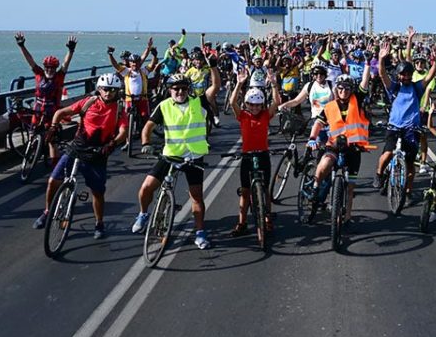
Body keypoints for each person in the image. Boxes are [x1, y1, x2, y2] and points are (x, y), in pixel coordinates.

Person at [132, 66, 220, 250]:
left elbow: (215, 87)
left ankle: (200, 233)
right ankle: (143, 214)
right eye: (175, 88)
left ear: (188, 89)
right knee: (146, 188)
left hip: (194, 157)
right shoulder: (163, 106)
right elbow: (147, 126)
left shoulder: (198, 102)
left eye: (183, 88)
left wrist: (213, 67)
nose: (179, 91)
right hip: (171, 155)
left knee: (196, 197)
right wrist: (146, 143)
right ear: (169, 90)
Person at [32, 73, 128, 239]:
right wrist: (53, 128)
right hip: (76, 148)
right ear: (99, 89)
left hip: (98, 154)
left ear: (117, 91)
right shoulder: (88, 102)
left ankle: (99, 223)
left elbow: (123, 131)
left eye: (112, 90)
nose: (108, 93)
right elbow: (61, 112)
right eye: (105, 89)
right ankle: (47, 212)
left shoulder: (119, 110)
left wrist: (112, 144)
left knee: (97, 192)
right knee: (53, 181)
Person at [373, 32, 436, 198]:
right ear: (399, 75)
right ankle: (379, 174)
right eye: (403, 74)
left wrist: (435, 61)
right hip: (394, 127)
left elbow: (429, 77)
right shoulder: (394, 87)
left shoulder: (416, 87)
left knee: (409, 164)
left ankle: (407, 191)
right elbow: (382, 74)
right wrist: (381, 59)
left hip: (412, 129)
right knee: (387, 154)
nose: (406, 77)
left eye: (408, 74)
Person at [306, 70, 371, 224]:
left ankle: (347, 217)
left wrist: (368, 64)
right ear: (336, 89)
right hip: (334, 145)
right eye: (340, 88)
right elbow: (318, 123)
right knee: (326, 163)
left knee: (350, 187)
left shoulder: (357, 101)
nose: (343, 91)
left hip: (353, 148)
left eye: (347, 88)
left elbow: (364, 82)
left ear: (351, 90)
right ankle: (315, 187)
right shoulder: (329, 106)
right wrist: (312, 138)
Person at [229, 66, 281, 236]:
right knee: (244, 191)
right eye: (251, 105)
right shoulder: (243, 115)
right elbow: (232, 103)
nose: (254, 108)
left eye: (258, 105)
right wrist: (239, 84)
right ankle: (242, 222)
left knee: (265, 189)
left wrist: (273, 84)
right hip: (247, 157)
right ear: (247, 104)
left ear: (262, 105)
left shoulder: (266, 115)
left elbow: (276, 102)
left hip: (263, 154)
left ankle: (267, 219)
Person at [14, 32, 78, 166]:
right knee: (32, 136)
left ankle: (55, 168)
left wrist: (70, 50)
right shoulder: (39, 74)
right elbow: (30, 59)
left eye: (52, 68)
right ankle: (31, 154)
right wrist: (21, 46)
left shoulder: (59, 77)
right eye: (47, 67)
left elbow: (66, 64)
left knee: (52, 142)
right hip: (37, 110)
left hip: (51, 113)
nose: (49, 70)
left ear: (55, 68)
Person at [278, 64, 334, 145]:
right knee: (315, 146)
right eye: (316, 74)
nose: (319, 76)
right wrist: (284, 105)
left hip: (330, 121)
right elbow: (296, 101)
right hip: (316, 121)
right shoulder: (309, 86)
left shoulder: (331, 85)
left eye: (321, 74)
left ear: (325, 75)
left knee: (332, 147)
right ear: (313, 75)